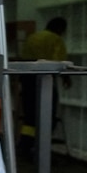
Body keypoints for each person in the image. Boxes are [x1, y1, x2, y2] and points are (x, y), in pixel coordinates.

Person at [18, 16, 69, 157]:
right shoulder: (55, 39)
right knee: (48, 114)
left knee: (30, 116)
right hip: (45, 80)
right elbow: (59, 62)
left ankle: (25, 145)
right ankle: (41, 148)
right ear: (59, 28)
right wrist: (66, 78)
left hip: (28, 79)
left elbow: (24, 57)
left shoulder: (33, 37)